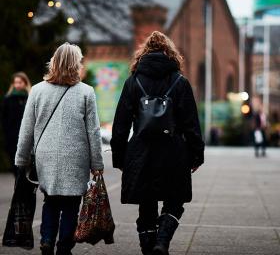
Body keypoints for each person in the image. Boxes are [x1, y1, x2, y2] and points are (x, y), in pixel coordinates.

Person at [111, 31, 205, 255]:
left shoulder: (132, 82)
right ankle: (162, 242)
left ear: (143, 54)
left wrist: (120, 158)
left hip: (140, 151)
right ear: (170, 53)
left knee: (147, 203)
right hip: (173, 151)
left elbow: (120, 125)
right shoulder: (180, 82)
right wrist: (196, 155)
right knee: (175, 200)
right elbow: (191, 123)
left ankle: (148, 247)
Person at [15, 43, 104, 255]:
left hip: (46, 157)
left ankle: (47, 239)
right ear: (75, 64)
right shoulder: (86, 92)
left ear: (53, 62)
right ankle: (64, 246)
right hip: (76, 157)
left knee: (51, 201)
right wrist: (97, 164)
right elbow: (93, 131)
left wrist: (21, 159)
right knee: (71, 205)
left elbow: (26, 129)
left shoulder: (37, 90)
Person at [2, 72, 31, 176]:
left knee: (27, 167)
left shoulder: (30, 98)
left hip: (28, 137)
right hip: (12, 138)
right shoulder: (8, 99)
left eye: (20, 82)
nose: (18, 85)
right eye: (15, 82)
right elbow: (4, 119)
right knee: (15, 167)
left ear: (25, 83)